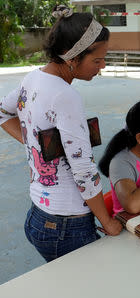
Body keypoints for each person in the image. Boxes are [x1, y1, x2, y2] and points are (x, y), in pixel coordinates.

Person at [0, 6, 122, 262]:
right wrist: (107, 222)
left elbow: (3, 112)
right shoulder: (66, 96)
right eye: (97, 60)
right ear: (72, 57)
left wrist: (31, 141)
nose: (102, 66)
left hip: (39, 215)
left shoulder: (33, 78)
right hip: (68, 225)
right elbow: (83, 171)